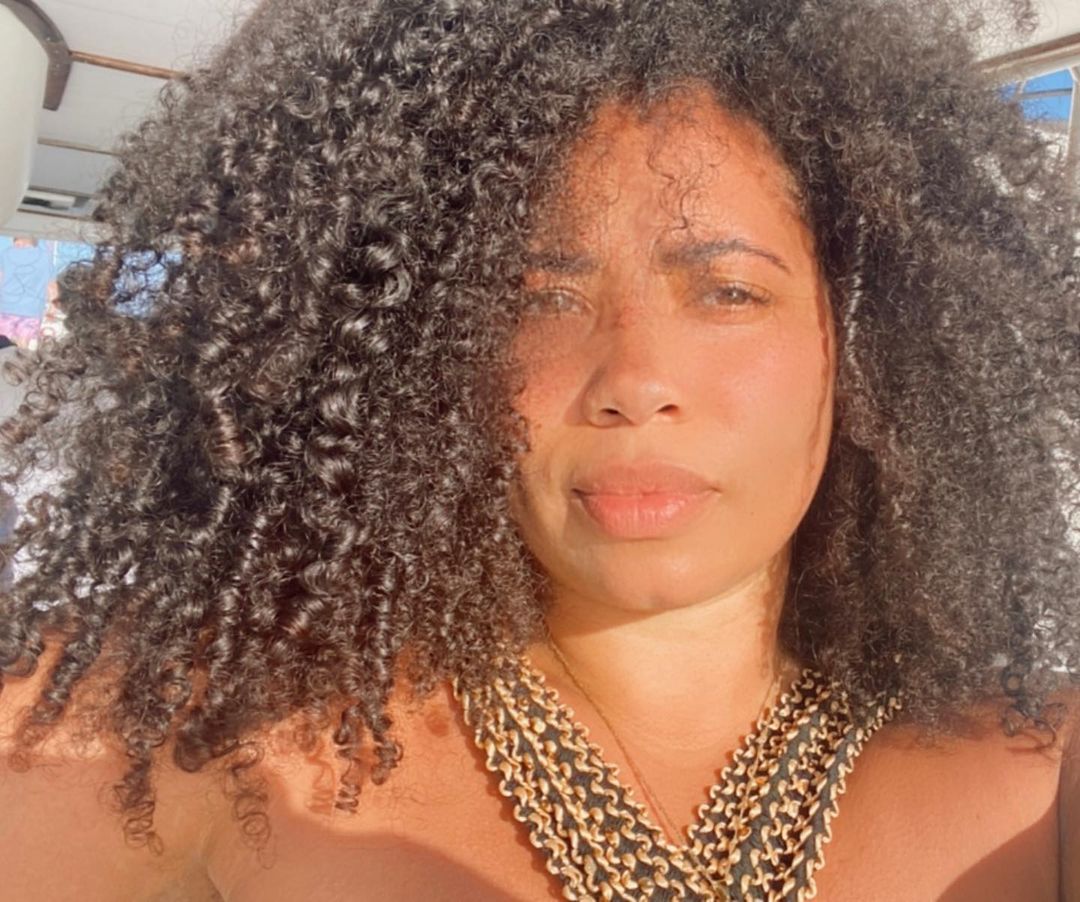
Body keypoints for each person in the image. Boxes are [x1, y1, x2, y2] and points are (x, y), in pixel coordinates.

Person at [0, 0, 1078, 899]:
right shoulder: (190, 733)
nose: (635, 379)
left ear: (863, 343)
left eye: (728, 292)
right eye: (540, 298)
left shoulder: (1043, 777)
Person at [0, 237, 54, 350]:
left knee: (4, 342)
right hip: (32, 311)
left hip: (7, 309)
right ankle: (19, 359)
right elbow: (51, 286)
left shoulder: (7, 255)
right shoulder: (44, 258)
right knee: (23, 344)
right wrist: (52, 308)